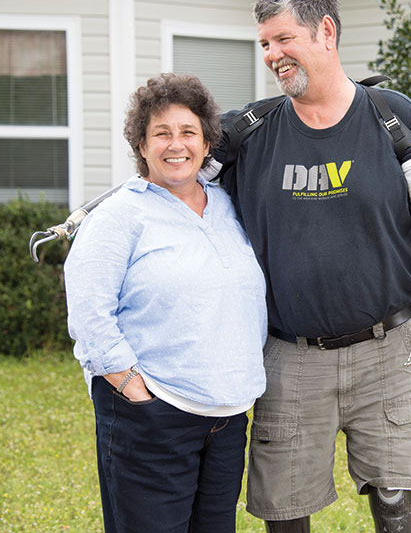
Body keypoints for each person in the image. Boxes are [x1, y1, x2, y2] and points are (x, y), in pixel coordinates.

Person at [212, 0, 411, 533]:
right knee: (285, 510)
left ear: (325, 31)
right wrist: (95, 217)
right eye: (264, 45)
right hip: (289, 354)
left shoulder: (392, 119)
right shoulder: (250, 132)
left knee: (396, 500)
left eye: (283, 39)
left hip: (388, 348)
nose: (272, 56)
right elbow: (171, 168)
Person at [63, 73, 268, 533]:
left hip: (227, 417)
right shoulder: (121, 215)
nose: (176, 145)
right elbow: (90, 311)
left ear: (207, 142)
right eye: (161, 133)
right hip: (154, 413)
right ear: (141, 145)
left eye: (188, 132)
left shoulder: (228, 205)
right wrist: (132, 387)